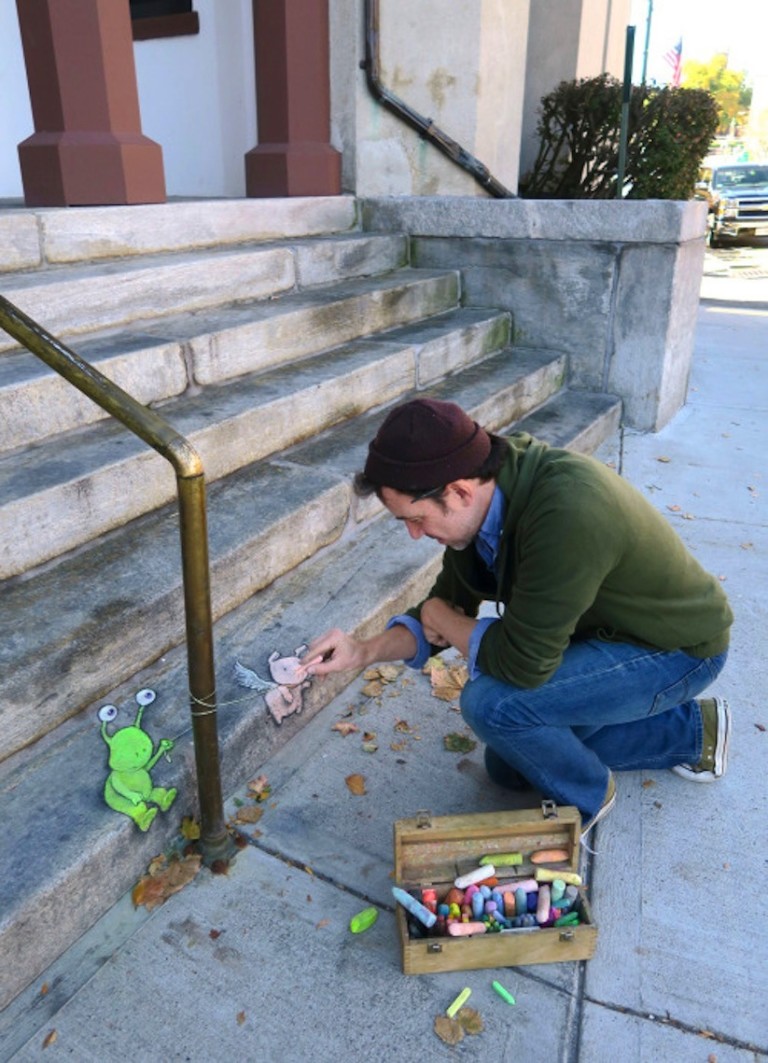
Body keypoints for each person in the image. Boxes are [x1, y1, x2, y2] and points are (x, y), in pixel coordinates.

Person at [307, 398, 733, 833]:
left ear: (459, 491)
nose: (414, 535)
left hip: (674, 649)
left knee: (493, 707)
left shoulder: (567, 511)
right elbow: (440, 613)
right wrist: (361, 651)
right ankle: (694, 732)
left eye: (416, 519)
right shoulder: (485, 498)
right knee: (511, 764)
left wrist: (445, 618)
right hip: (604, 634)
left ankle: (587, 798)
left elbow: (522, 663)